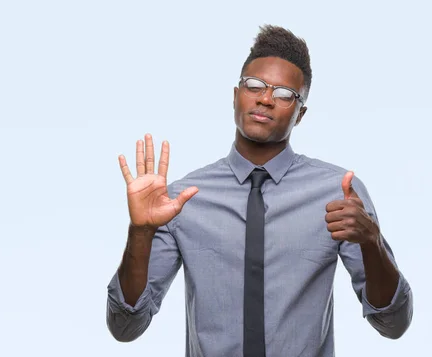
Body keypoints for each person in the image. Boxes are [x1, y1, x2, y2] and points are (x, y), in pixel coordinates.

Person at [106, 25, 413, 357]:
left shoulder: (339, 194)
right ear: (236, 95)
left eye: (283, 94)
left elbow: (392, 324)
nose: (266, 99)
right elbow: (125, 327)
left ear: (300, 115)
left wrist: (372, 242)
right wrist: (140, 232)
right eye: (254, 86)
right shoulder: (183, 201)